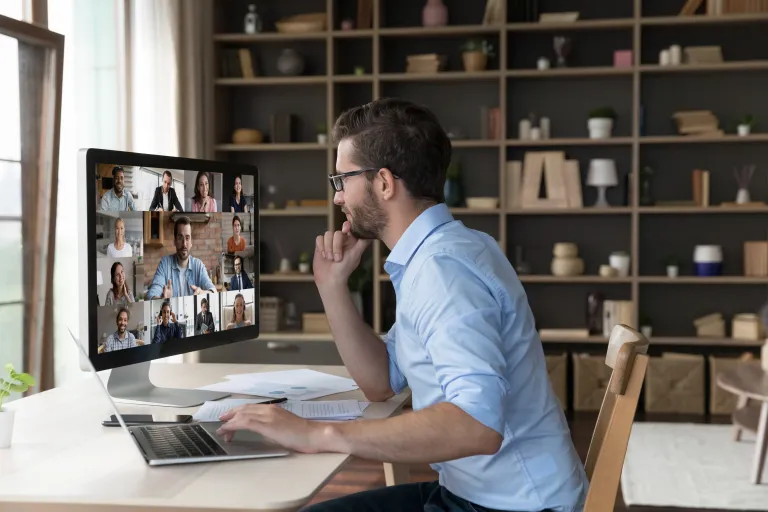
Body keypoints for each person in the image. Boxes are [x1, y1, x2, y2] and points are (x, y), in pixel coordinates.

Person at [215, 99, 588, 512]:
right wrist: (332, 286)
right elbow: (382, 382)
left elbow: (478, 425)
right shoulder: (444, 252)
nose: (338, 197)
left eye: (342, 179)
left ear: (385, 183)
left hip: (513, 507)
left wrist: (317, 434)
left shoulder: (442, 271)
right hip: (478, 496)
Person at [146, 216, 217, 299]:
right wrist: (161, 299)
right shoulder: (165, 263)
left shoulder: (198, 266)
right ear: (175, 241)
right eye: (180, 238)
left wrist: (203, 293)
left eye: (187, 238)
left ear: (191, 242)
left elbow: (213, 291)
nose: (184, 244)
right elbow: (151, 294)